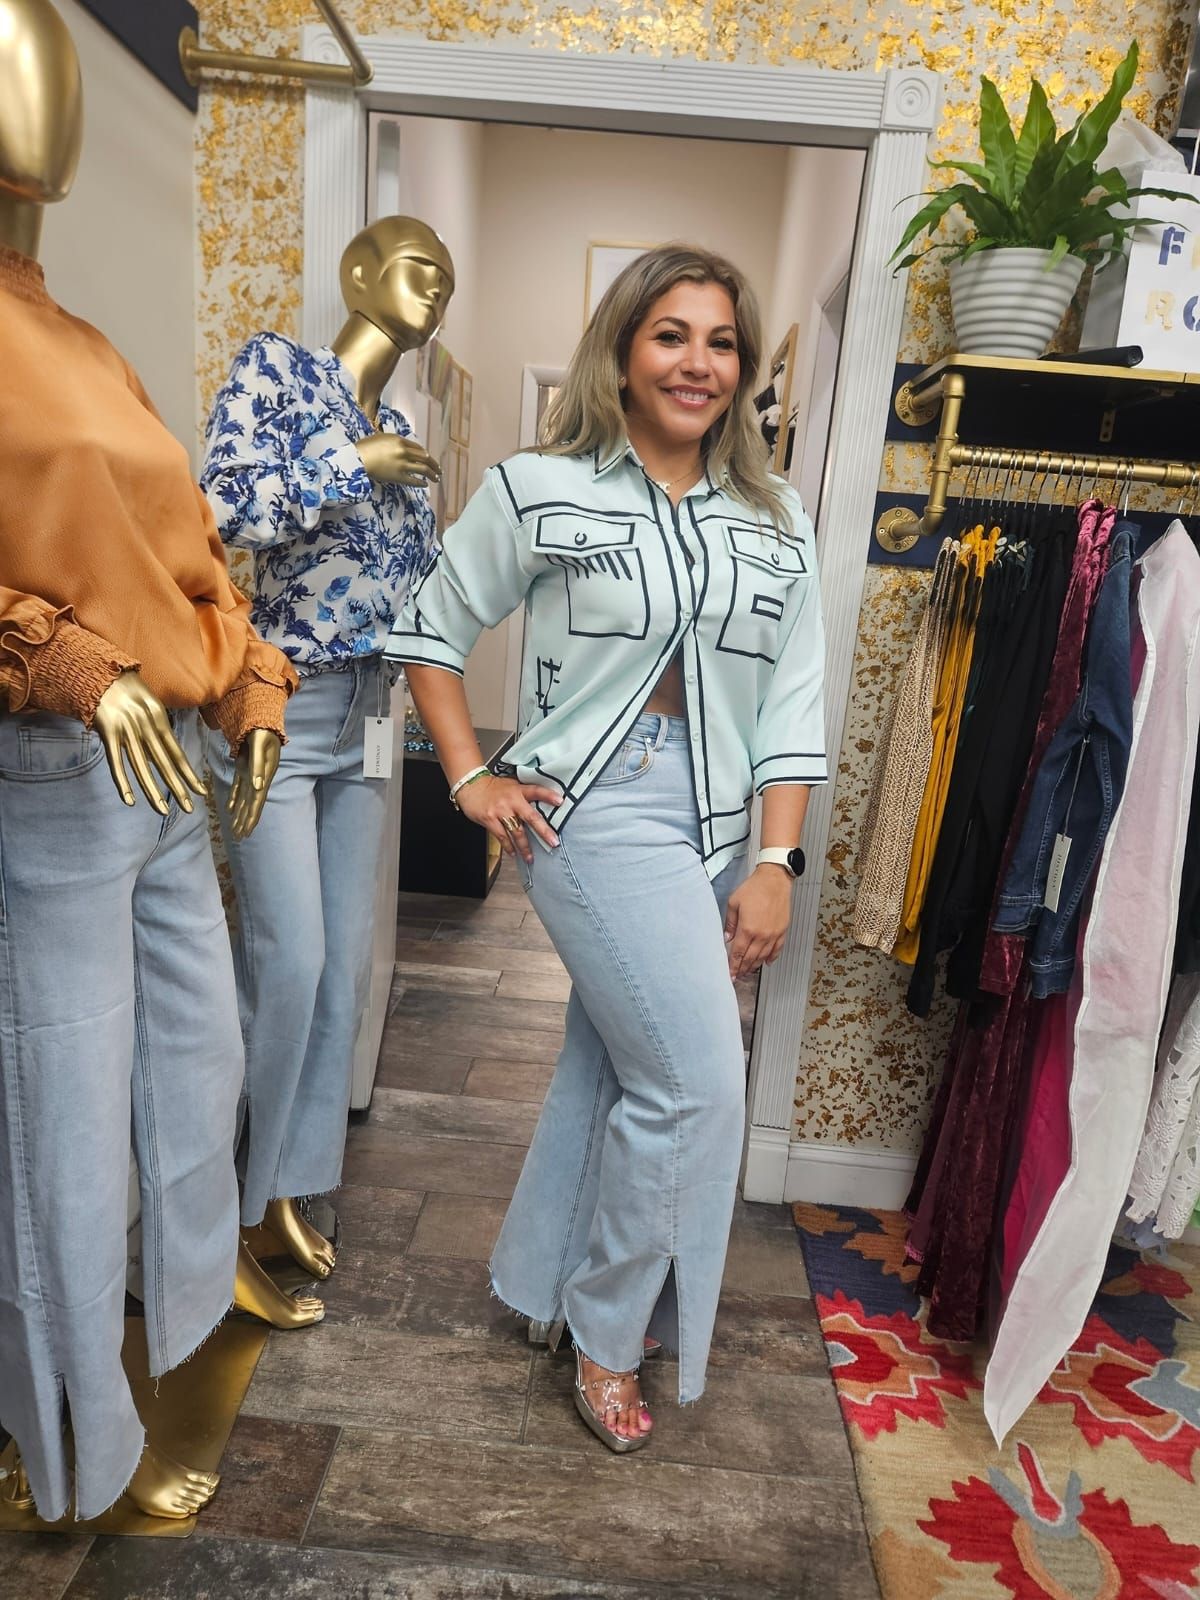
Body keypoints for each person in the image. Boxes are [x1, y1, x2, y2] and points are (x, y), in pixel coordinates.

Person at [385, 244, 826, 1453]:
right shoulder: (540, 487)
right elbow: (429, 625)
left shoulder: (776, 523)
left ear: (741, 371)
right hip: (594, 805)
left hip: (721, 818)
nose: (699, 361)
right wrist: (469, 770)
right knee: (695, 1086)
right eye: (671, 335)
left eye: (722, 341)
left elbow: (794, 710)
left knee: (618, 1067)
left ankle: (542, 1290)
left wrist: (775, 866)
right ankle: (610, 1333)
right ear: (625, 353)